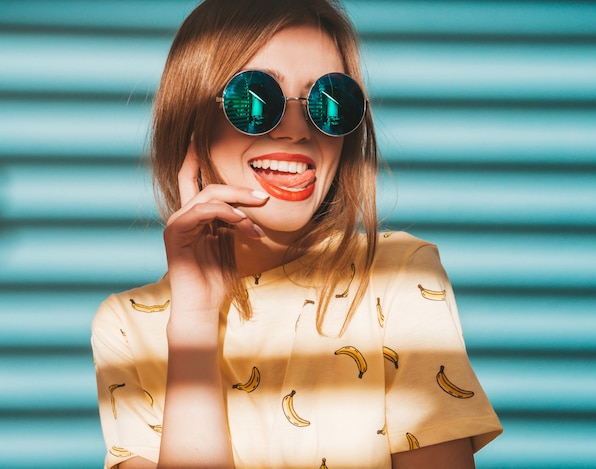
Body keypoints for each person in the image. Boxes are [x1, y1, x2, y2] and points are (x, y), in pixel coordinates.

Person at [91, 0, 503, 467]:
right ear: (192, 122)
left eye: (331, 101)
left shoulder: (398, 277)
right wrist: (194, 320)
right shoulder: (127, 327)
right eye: (254, 99)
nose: (295, 130)